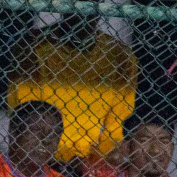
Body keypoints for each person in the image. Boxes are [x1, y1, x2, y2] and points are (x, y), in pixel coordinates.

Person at [10, 14, 138, 163]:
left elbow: (115, 129)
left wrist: (94, 163)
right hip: (43, 159)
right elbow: (25, 118)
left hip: (93, 163)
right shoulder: (34, 47)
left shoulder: (120, 56)